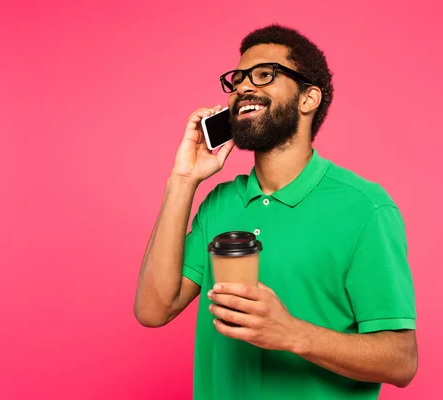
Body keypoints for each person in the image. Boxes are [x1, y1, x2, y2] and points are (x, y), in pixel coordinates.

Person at [134, 24, 418, 400]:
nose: (243, 88)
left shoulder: (365, 208)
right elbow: (154, 310)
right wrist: (183, 180)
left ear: (308, 99)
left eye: (265, 75)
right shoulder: (219, 203)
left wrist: (291, 333)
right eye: (237, 80)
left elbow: (401, 361)